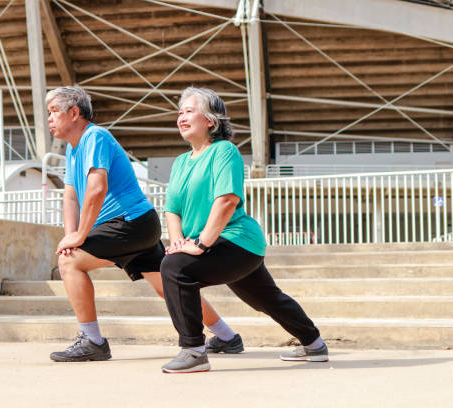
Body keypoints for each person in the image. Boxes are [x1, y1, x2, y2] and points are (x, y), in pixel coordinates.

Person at [46, 86, 242, 362]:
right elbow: (71, 195)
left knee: (69, 263)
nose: (50, 119)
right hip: (136, 225)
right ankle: (226, 336)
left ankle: (92, 340)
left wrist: (80, 234)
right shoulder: (73, 149)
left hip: (129, 223)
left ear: (74, 113)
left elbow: (96, 189)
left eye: (54, 111)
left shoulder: (95, 136)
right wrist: (71, 236)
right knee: (168, 285)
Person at [160, 87, 328, 373]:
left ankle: (193, 351)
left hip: (236, 241)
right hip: (212, 243)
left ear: (210, 121)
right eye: (179, 112)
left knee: (175, 269)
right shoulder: (179, 162)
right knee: (265, 298)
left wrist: (199, 245)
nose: (181, 117)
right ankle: (314, 344)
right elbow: (172, 209)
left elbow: (227, 200)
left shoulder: (223, 151)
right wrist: (177, 242)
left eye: (189, 111)